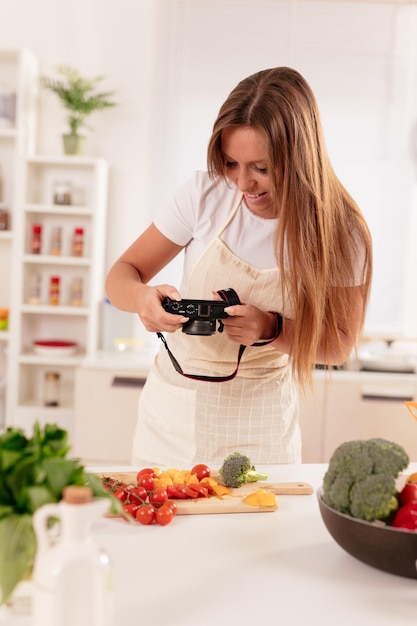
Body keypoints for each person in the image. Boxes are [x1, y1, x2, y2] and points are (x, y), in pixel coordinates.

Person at [105, 67, 372, 468]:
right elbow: (121, 274)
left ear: (300, 156)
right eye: (232, 163)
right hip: (174, 413)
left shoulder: (341, 230)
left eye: (261, 168)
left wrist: (272, 328)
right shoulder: (203, 195)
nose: (244, 183)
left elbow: (338, 344)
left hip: (260, 422)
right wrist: (144, 298)